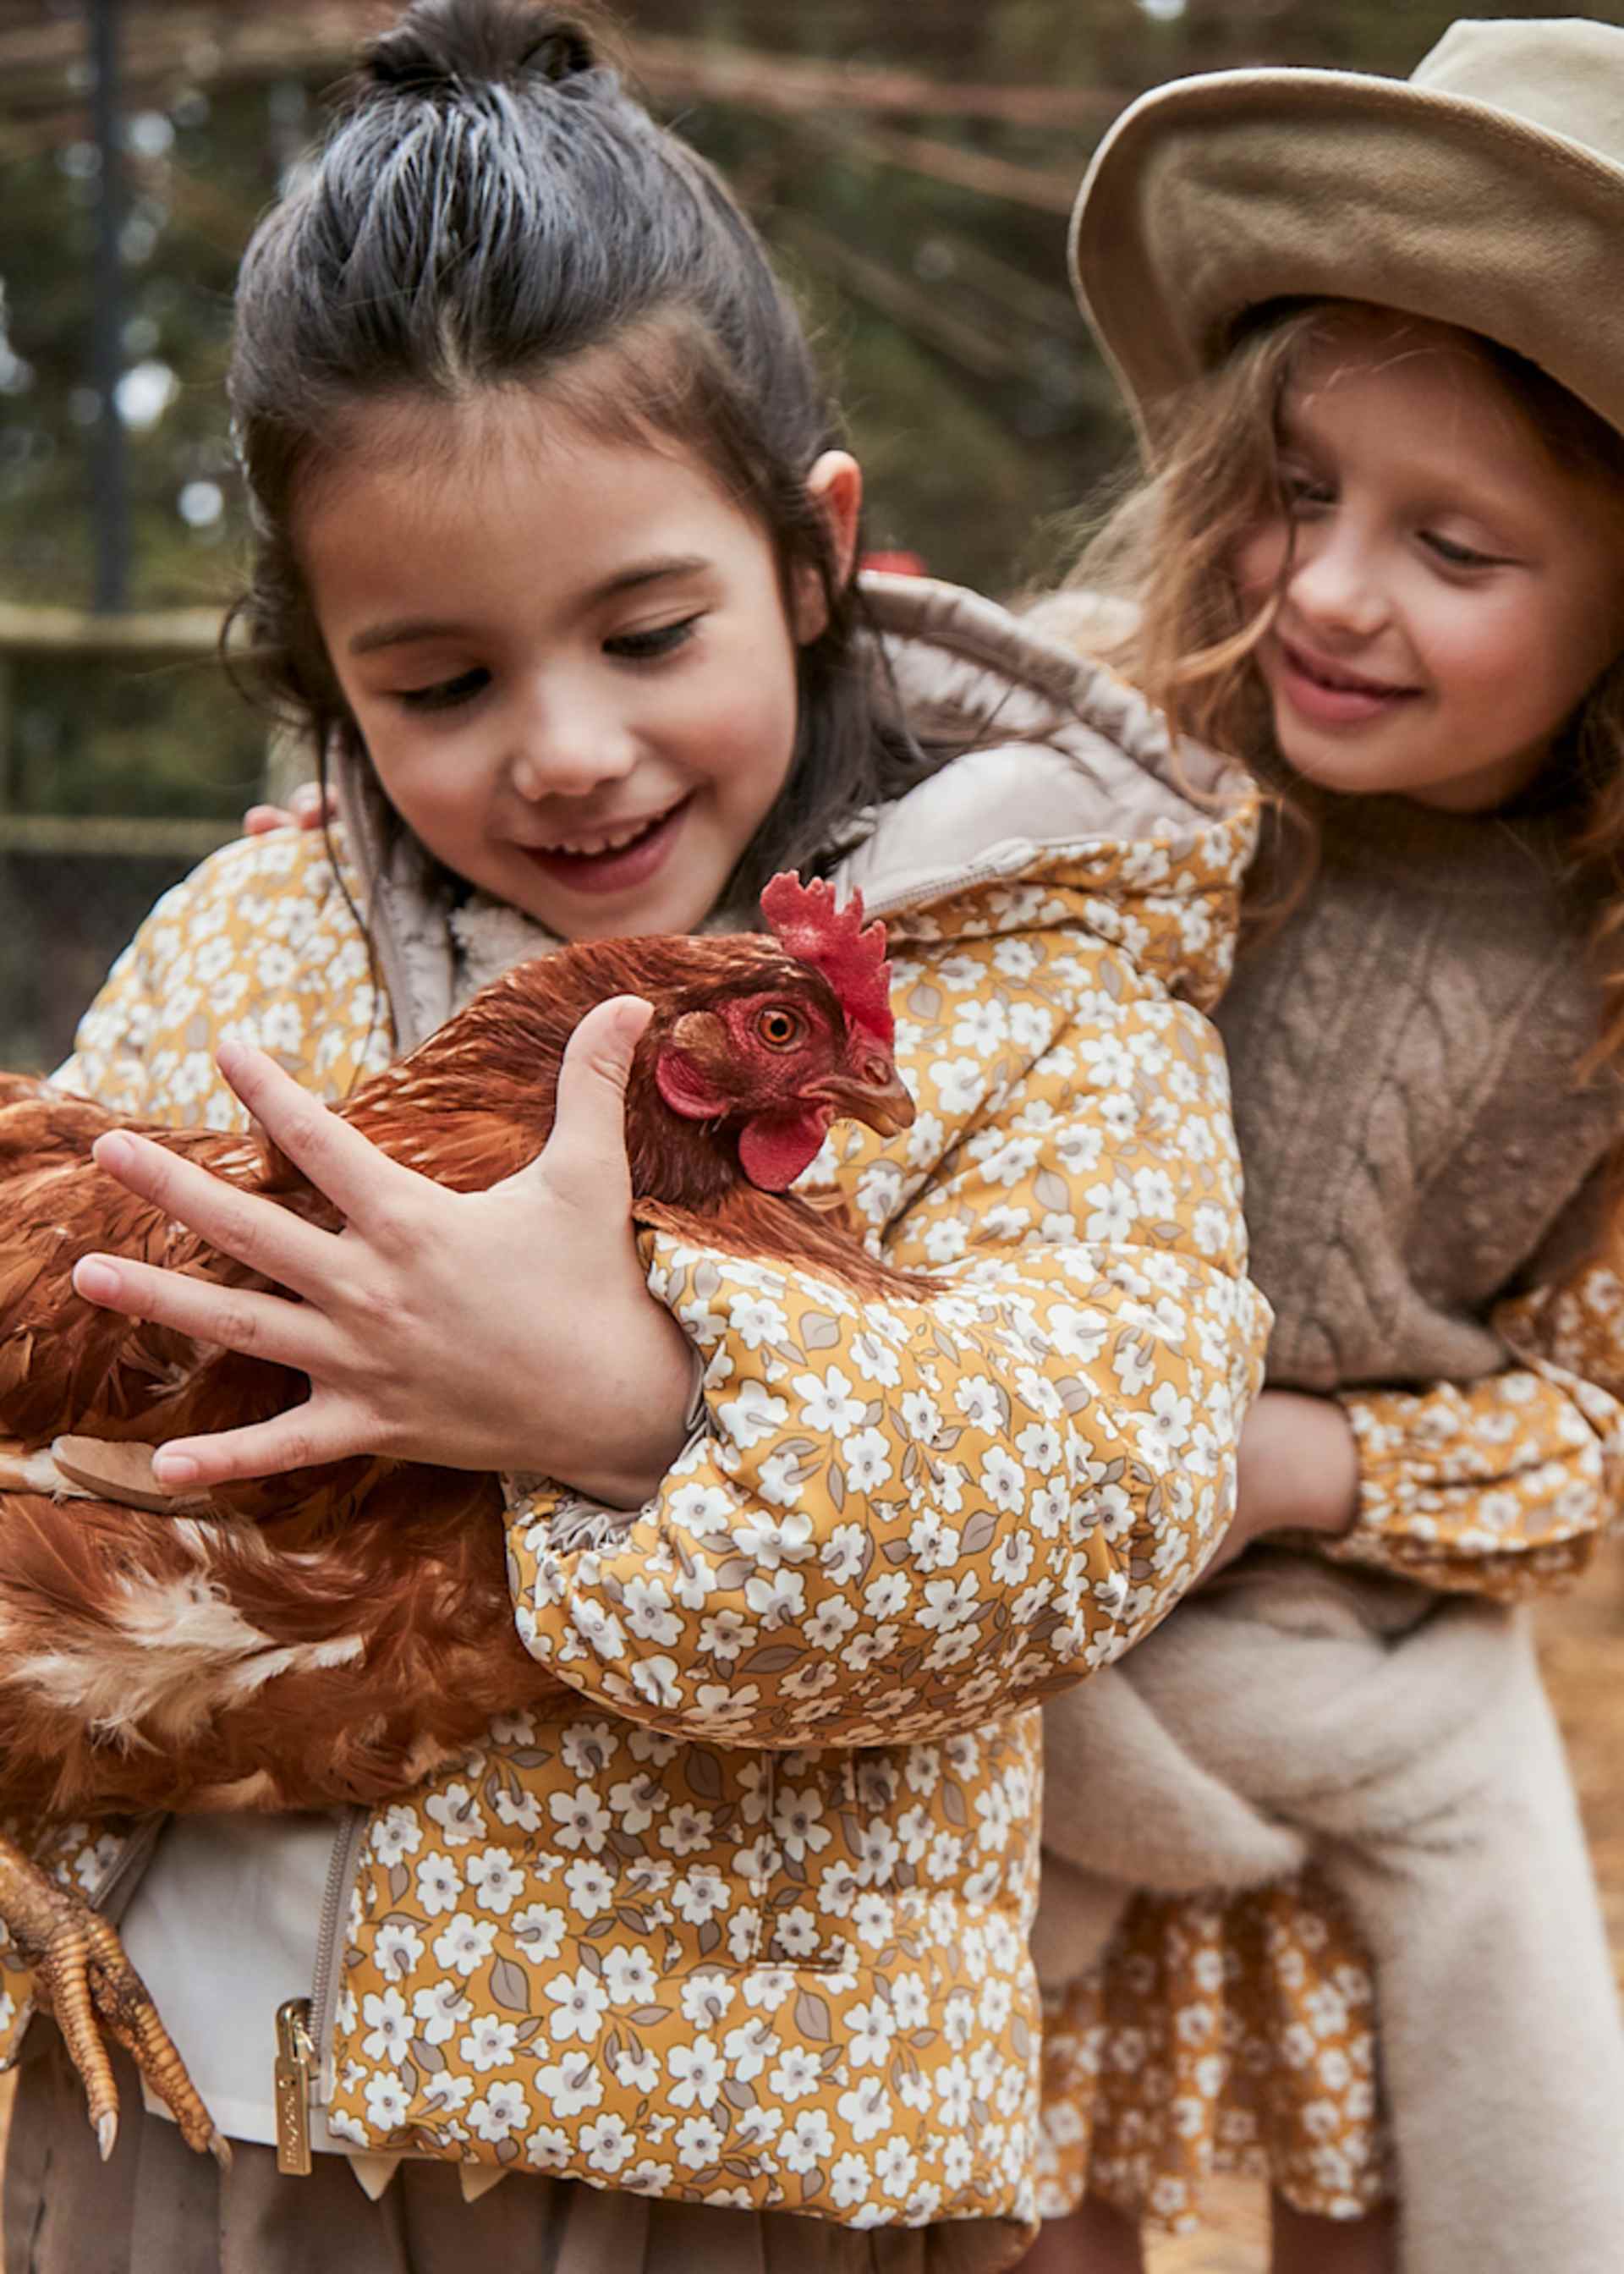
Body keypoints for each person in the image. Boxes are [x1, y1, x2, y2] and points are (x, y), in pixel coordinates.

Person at [0, 4, 1272, 2268]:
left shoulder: (1049, 993)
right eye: (442, 683)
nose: (568, 748)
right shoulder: (259, 940)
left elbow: (1108, 1486)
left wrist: (637, 1405)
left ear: (812, 555)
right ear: (323, 668)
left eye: (648, 629)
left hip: (735, 2151)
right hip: (201, 2116)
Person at [1022, 19, 1624, 2274]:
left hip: (1339, 1676)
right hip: (1027, 1666)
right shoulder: (1087, 760)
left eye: (1453, 545)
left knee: (1367, 2214)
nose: (1334, 590)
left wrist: (1303, 1465)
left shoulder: (1604, 974)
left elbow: (1594, 1433)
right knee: (1015, 2207)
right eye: (1296, 488)